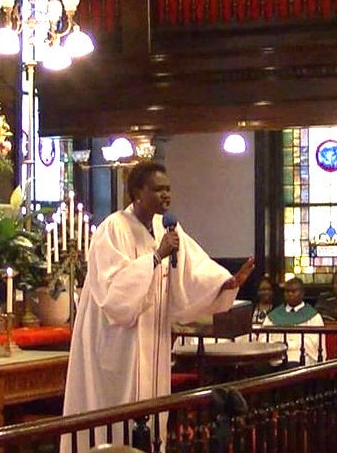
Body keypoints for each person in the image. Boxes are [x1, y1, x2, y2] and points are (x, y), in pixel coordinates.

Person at [62, 161, 254, 452]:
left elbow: (194, 271)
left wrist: (225, 284)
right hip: (116, 344)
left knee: (152, 415)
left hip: (152, 336)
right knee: (117, 414)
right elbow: (114, 297)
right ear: (137, 192)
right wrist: (155, 256)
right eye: (158, 189)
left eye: (168, 189)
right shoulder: (113, 229)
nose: (166, 195)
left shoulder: (166, 227)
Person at [262, 277, 325, 365]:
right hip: (275, 357)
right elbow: (263, 337)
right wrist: (274, 346)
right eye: (287, 291)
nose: (290, 294)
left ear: (302, 293)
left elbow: (313, 343)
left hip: (299, 357)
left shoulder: (313, 316)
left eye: (294, 291)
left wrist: (289, 345)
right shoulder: (273, 315)